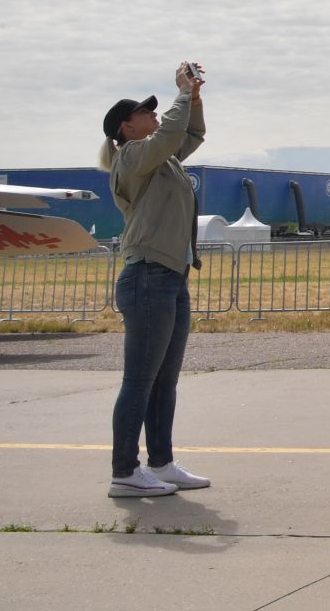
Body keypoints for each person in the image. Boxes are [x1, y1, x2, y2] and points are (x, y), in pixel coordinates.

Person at [99, 63, 212, 498]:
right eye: (145, 112)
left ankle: (161, 463)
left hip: (170, 276)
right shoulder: (132, 157)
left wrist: (194, 101)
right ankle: (125, 471)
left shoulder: (161, 163)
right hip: (147, 277)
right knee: (139, 381)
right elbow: (169, 135)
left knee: (165, 380)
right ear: (127, 128)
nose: (153, 114)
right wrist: (182, 93)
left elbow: (189, 137)